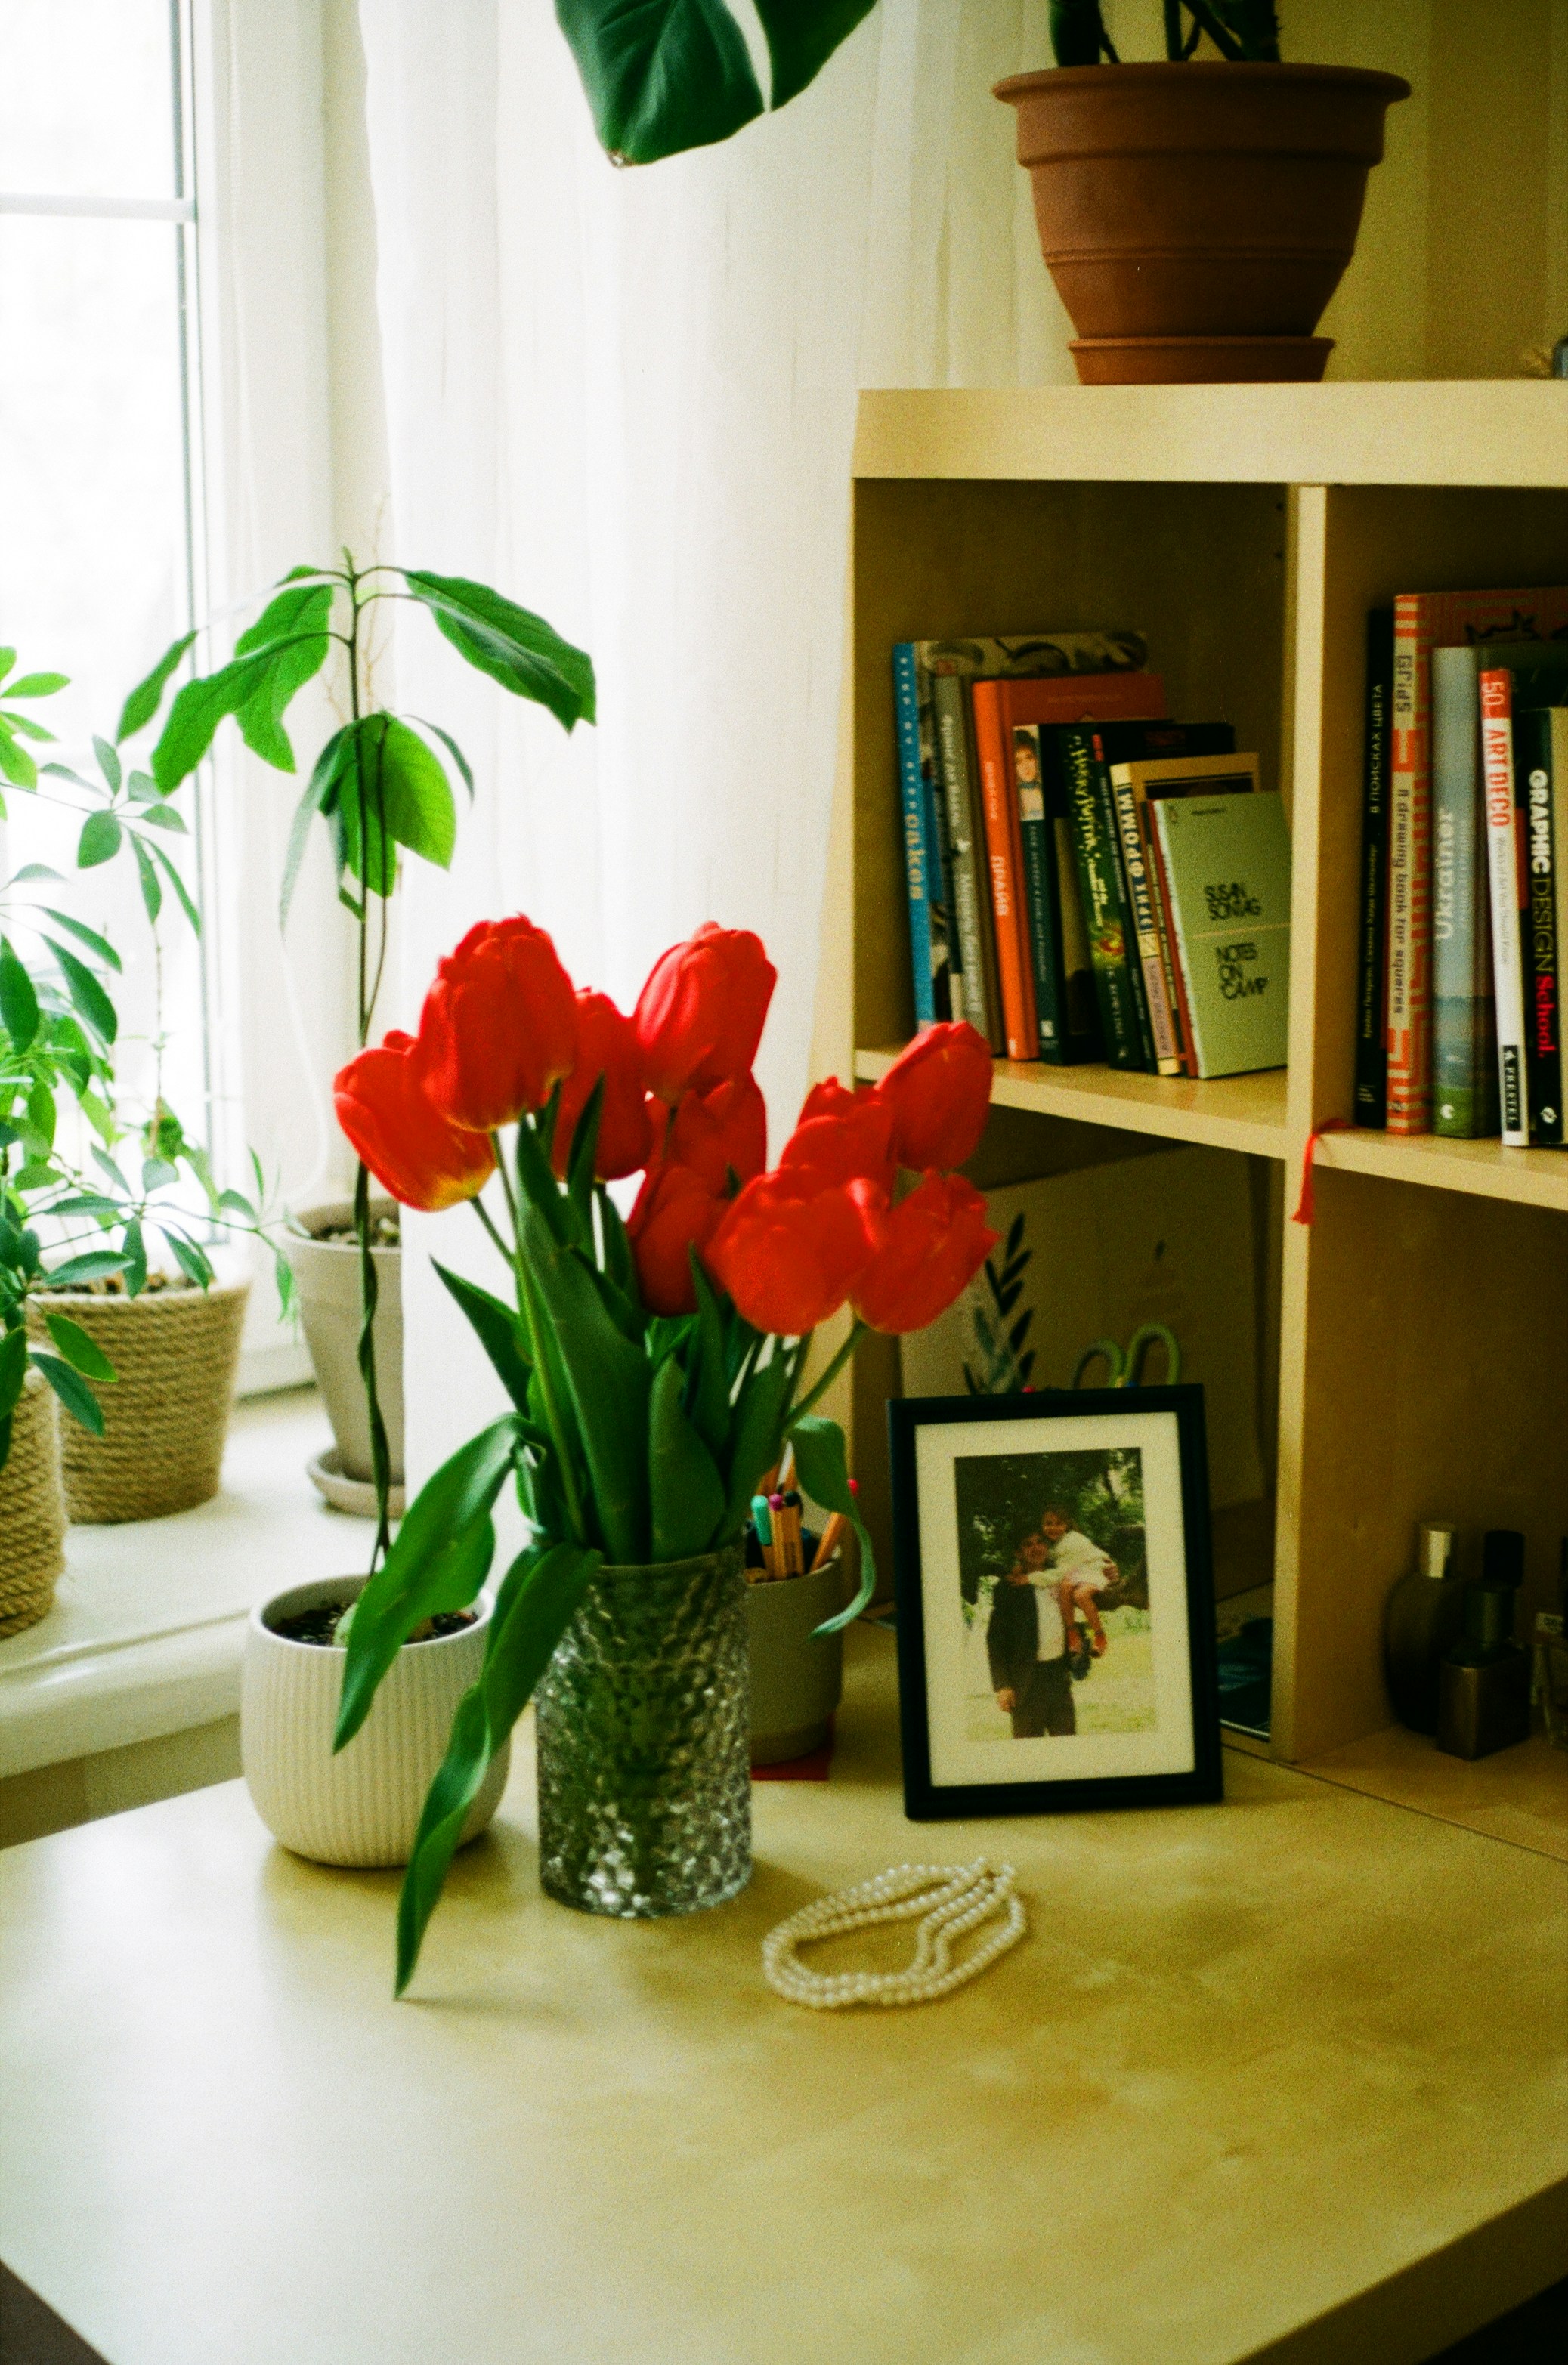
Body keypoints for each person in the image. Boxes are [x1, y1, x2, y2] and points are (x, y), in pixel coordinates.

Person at [986, 1531, 1075, 1738]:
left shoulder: (1061, 1577)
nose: (1036, 1548)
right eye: (1028, 1544)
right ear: (1018, 1553)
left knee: (1068, 1746)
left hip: (1059, 1677)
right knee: (1028, 1751)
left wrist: (1110, 1573)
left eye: (1040, 1542)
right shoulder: (1009, 1587)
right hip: (1026, 1682)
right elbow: (995, 1640)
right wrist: (1003, 1685)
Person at [1040, 1502, 1115, 1660]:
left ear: (1066, 1525)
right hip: (1078, 1576)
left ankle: (1099, 1636)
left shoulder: (1073, 1539)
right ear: (1042, 1525)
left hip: (1094, 1571)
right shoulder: (1052, 1547)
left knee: (1078, 1593)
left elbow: (1067, 1569)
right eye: (1048, 1524)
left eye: (1059, 1524)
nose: (1053, 1528)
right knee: (1071, 1589)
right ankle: (1073, 1635)